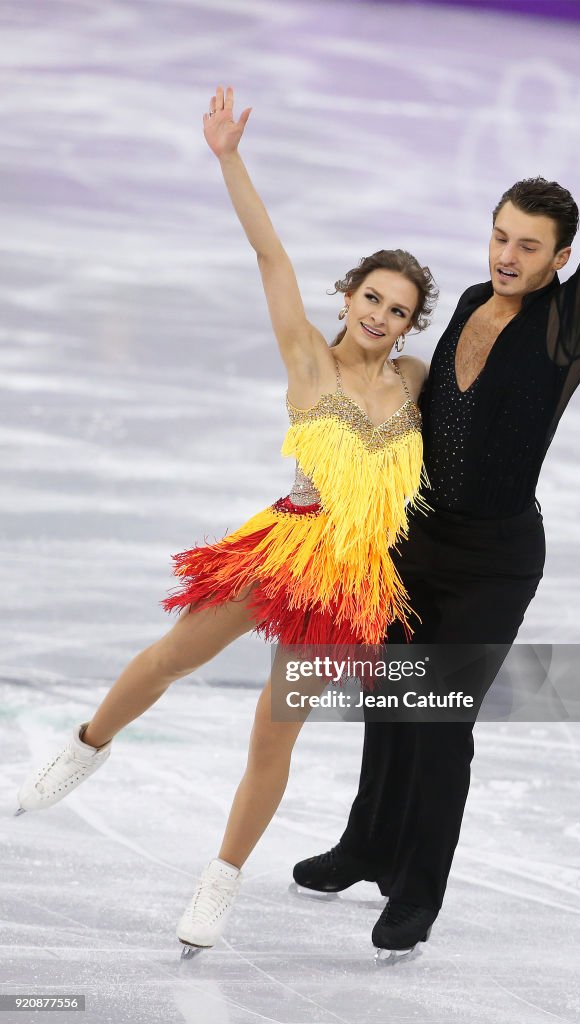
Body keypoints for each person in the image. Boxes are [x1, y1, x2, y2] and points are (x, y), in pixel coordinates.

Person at [15, 85, 438, 958]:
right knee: (175, 654)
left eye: (398, 309)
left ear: (408, 323)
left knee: (273, 735)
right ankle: (88, 743)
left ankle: (219, 882)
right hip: (286, 543)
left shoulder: (417, 383)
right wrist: (228, 157)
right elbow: (270, 256)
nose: (380, 315)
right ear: (350, 292)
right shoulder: (308, 360)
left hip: (351, 580)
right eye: (371, 296)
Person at [293, 18, 580, 960]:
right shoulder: (465, 298)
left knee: (438, 719)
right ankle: (363, 844)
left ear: (558, 260)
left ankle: (416, 890)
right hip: (416, 538)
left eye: (528, 246)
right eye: (499, 236)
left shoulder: (563, 325)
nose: (507, 256)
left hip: (495, 559)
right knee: (389, 696)